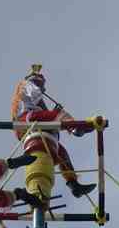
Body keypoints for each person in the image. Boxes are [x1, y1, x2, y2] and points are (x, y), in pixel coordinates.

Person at [10, 64, 96, 199]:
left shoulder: (28, 94)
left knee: (61, 153)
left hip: (28, 127)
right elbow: (37, 100)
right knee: (60, 115)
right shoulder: (26, 85)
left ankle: (73, 184)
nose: (44, 89)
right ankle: (76, 128)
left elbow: (42, 110)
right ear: (37, 81)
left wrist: (52, 110)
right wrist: (55, 111)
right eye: (42, 85)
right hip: (27, 119)